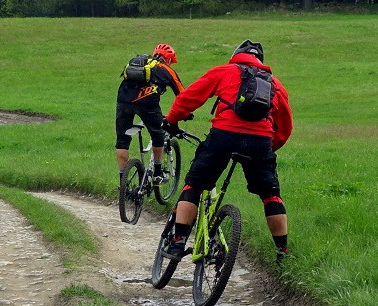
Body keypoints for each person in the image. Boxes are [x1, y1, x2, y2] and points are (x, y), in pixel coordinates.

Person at [162, 39, 294, 263]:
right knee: (271, 195)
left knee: (194, 185)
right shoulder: (275, 84)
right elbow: (285, 127)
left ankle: (177, 243)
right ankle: (283, 253)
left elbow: (189, 98)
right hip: (260, 141)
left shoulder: (224, 71)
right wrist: (266, 150)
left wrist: (172, 120)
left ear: (236, 55)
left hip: (224, 136)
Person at [116, 43, 184, 187]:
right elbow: (183, 94)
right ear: (168, 59)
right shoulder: (165, 69)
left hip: (123, 101)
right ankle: (157, 174)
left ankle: (123, 184)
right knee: (158, 135)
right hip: (146, 102)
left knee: (122, 141)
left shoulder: (136, 63)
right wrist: (185, 113)